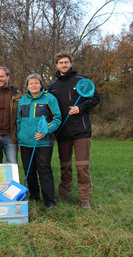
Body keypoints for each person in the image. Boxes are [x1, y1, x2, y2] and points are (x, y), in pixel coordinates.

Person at [48, 51, 100, 209]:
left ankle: (84, 197)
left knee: (82, 165)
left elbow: (95, 98)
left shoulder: (82, 80)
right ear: (57, 65)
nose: (64, 65)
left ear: (71, 63)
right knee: (65, 165)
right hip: (62, 132)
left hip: (80, 131)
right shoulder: (53, 86)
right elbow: (50, 109)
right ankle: (64, 193)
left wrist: (80, 107)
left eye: (66, 62)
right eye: (61, 63)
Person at [17, 74, 61, 208]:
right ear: (27, 86)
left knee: (44, 170)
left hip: (43, 142)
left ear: (41, 85)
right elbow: (19, 121)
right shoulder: (22, 100)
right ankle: (34, 196)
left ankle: (49, 200)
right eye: (31, 83)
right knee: (29, 170)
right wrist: (20, 138)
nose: (34, 85)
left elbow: (57, 118)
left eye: (36, 83)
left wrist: (45, 131)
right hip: (25, 143)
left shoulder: (49, 99)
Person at [0, 67, 23, 164]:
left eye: (2, 76)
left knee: (12, 165)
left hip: (11, 137)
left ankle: (12, 180)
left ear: (8, 77)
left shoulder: (18, 95)